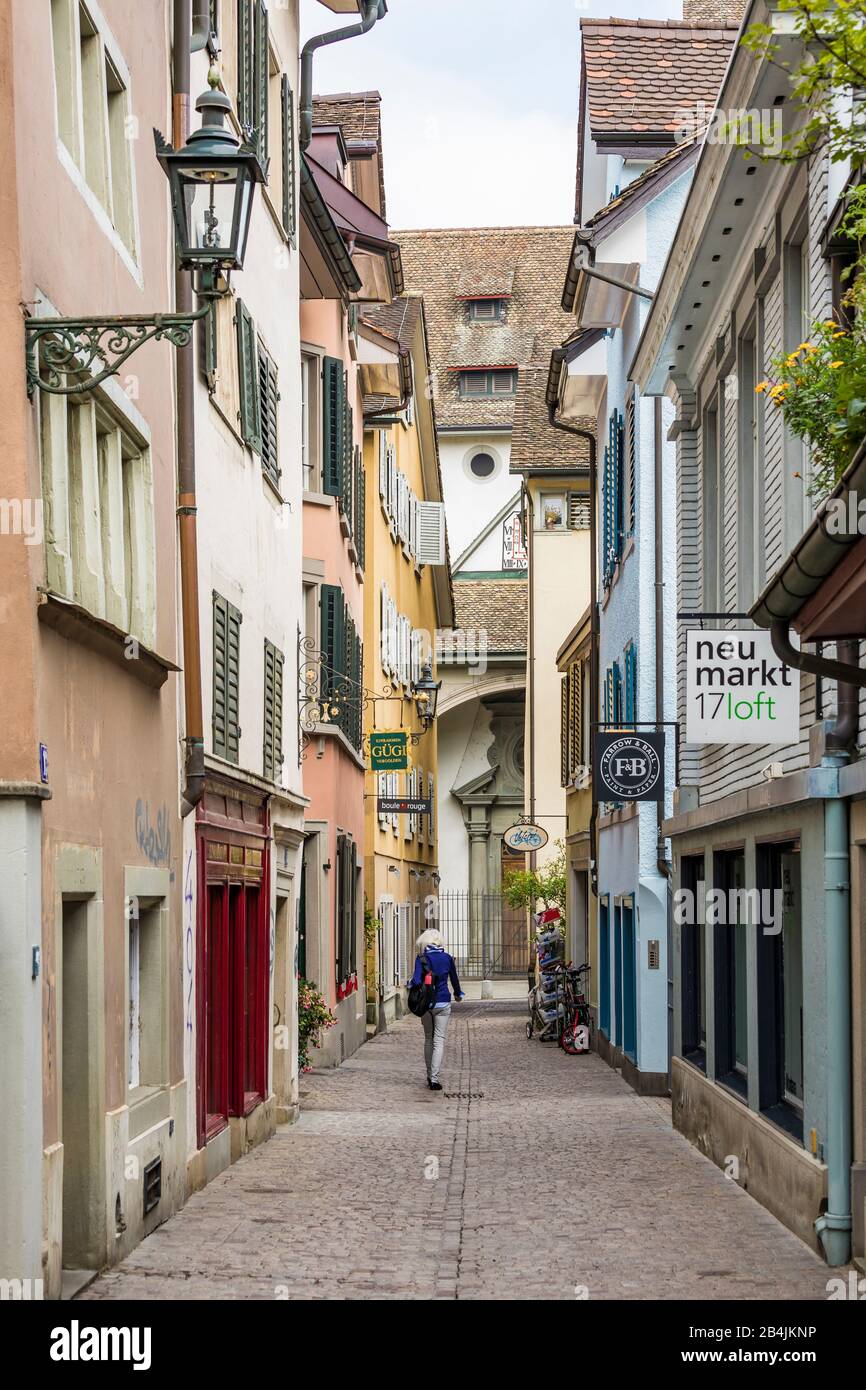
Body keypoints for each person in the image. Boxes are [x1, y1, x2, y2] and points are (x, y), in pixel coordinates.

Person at [407, 927, 464, 1090]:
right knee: (439, 1040)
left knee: (428, 1039)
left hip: (426, 1005)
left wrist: (410, 984)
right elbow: (454, 979)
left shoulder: (421, 958)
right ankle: (434, 1078)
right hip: (443, 1002)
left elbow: (417, 981)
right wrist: (458, 994)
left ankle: (428, 1074)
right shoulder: (447, 958)